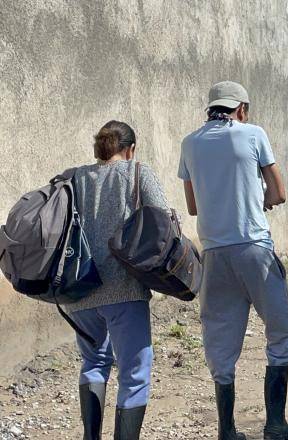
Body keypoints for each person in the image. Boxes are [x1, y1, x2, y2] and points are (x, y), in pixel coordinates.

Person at [178, 81, 288, 440]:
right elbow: (279, 192)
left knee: (220, 342)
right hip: (254, 248)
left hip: (214, 255)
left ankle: (228, 431)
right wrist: (261, 200)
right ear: (241, 109)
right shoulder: (253, 134)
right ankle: (275, 425)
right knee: (278, 332)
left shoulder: (190, 143)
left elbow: (192, 206)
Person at [67, 120, 169, 440]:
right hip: (124, 289)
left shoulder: (74, 178)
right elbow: (162, 220)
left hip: (80, 291)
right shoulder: (138, 172)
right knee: (134, 373)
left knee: (93, 363)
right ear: (131, 149)